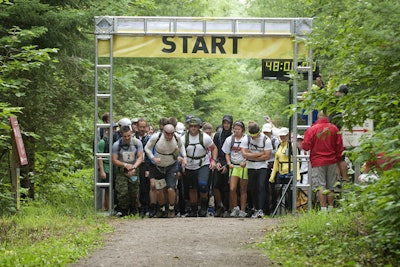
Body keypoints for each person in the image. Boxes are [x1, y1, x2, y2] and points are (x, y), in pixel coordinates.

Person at [302, 111, 344, 213]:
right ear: (327, 117)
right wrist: (338, 159)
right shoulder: (334, 128)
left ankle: (323, 209)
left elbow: (305, 146)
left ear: (318, 117)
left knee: (321, 185)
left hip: (318, 161)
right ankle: (331, 208)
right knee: (331, 185)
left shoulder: (312, 129)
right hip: (332, 160)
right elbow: (339, 146)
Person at [145, 124, 187, 218]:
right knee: (159, 189)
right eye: (167, 134)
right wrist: (153, 158)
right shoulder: (156, 137)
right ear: (163, 132)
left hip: (172, 165)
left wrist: (184, 157)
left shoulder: (177, 137)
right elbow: (147, 148)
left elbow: (181, 146)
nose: (169, 136)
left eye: (171, 134)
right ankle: (162, 208)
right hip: (158, 166)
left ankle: (171, 208)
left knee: (171, 188)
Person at [181, 117, 217, 217]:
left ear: (199, 127)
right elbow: (178, 151)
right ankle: (193, 209)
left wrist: (213, 160)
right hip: (189, 165)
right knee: (192, 188)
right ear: (188, 127)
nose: (193, 128)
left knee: (203, 184)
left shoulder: (205, 137)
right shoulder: (183, 139)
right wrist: (181, 160)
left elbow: (214, 148)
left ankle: (204, 207)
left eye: (195, 126)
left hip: (203, 164)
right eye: (191, 126)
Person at [242, 121, 272, 218]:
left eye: (254, 135)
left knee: (261, 186)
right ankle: (254, 207)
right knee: (252, 188)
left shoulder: (266, 140)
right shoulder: (246, 139)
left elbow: (267, 156)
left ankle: (261, 209)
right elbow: (244, 154)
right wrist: (259, 154)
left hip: (262, 166)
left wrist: (251, 156)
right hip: (250, 166)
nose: (253, 138)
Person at [112, 125, 144, 216]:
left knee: (134, 191)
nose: (127, 138)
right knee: (122, 192)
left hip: (134, 168)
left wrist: (133, 167)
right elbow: (114, 160)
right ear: (121, 135)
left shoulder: (137, 143)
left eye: (129, 136)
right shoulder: (116, 145)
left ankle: (134, 208)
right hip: (122, 170)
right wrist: (125, 165)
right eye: (125, 136)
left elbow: (140, 157)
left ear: (131, 134)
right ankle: (123, 209)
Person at [269, 127, 301, 212]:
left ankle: (291, 210)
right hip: (280, 173)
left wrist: (297, 175)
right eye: (280, 136)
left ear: (287, 136)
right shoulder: (278, 146)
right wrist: (272, 176)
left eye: (284, 136)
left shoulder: (292, 146)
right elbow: (276, 162)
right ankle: (279, 211)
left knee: (290, 193)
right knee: (278, 192)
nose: (282, 137)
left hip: (290, 172)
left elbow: (296, 161)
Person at [222, 120, 249, 218]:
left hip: (243, 166)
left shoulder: (247, 139)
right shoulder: (230, 139)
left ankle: (243, 210)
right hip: (234, 166)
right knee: (232, 188)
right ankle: (235, 207)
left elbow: (250, 151)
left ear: (243, 130)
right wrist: (229, 163)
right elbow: (227, 153)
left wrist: (245, 161)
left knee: (243, 189)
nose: (237, 131)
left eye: (239, 129)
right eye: (235, 129)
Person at [213, 115, 233, 217]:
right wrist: (216, 162)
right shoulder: (218, 135)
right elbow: (214, 148)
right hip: (219, 160)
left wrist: (227, 165)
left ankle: (227, 208)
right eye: (224, 123)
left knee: (227, 187)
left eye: (228, 123)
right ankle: (219, 205)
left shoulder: (233, 136)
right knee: (216, 185)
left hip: (230, 162)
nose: (226, 125)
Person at [97, 123, 118, 210]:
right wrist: (102, 170)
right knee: (107, 189)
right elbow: (99, 156)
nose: (114, 131)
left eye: (115, 129)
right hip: (106, 168)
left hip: (114, 167)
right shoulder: (102, 142)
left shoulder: (116, 141)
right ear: (107, 130)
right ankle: (107, 207)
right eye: (112, 129)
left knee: (115, 188)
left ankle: (113, 207)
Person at [135, 118, 152, 218]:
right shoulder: (133, 138)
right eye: (140, 127)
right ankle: (139, 208)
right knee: (138, 187)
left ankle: (147, 208)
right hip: (136, 165)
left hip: (146, 165)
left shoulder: (150, 139)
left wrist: (149, 169)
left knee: (147, 187)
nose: (142, 129)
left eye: (143, 127)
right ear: (137, 127)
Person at [262, 122, 280, 214]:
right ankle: (265, 209)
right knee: (264, 187)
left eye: (267, 132)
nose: (266, 134)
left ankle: (274, 208)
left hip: (273, 166)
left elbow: (277, 152)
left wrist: (266, 152)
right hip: (264, 165)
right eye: (264, 132)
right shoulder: (261, 140)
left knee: (273, 188)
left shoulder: (275, 141)